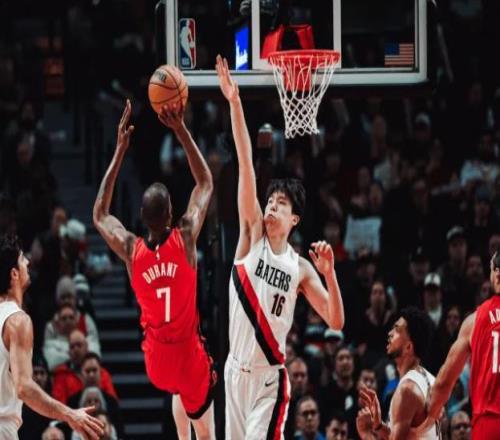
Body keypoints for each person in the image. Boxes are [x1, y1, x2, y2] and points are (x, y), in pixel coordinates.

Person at [216, 55, 344, 439]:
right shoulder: (251, 234)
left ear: (295, 220)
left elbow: (335, 321)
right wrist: (234, 103)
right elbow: (245, 163)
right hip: (233, 373)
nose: (271, 205)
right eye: (270, 200)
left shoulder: (300, 267)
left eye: (281, 204)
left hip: (269, 381)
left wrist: (330, 275)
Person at [93, 100, 215, 439]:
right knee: (206, 432)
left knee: (177, 390)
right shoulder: (185, 236)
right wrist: (180, 129)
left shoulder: (131, 250)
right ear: (172, 213)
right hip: (188, 354)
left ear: (142, 219)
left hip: (157, 362)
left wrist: (119, 151)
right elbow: (205, 183)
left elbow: (100, 214)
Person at [0, 234, 103, 439]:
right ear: (14, 274)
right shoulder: (17, 320)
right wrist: (70, 414)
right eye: (22, 259)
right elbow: (24, 387)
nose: (28, 262)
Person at [419, 252, 500, 438]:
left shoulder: (474, 321)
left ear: (495, 276)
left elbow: (444, 382)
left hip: (489, 424)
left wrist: (428, 418)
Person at [356, 307, 438, 440]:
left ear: (408, 347)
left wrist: (366, 434)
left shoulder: (407, 390)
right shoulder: (429, 379)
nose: (390, 333)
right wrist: (378, 426)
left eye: (397, 330)